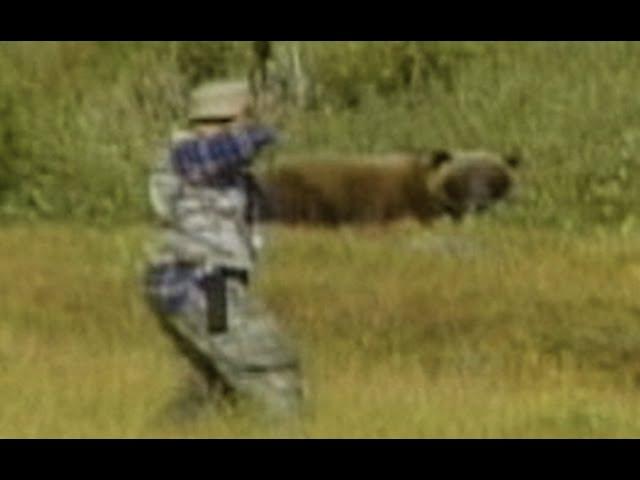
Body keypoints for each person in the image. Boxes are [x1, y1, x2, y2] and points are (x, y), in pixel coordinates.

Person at [144, 79, 303, 421]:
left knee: (214, 384)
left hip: (199, 286)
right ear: (228, 121)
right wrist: (265, 128)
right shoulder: (186, 155)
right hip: (205, 285)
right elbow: (226, 151)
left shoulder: (231, 173)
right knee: (271, 370)